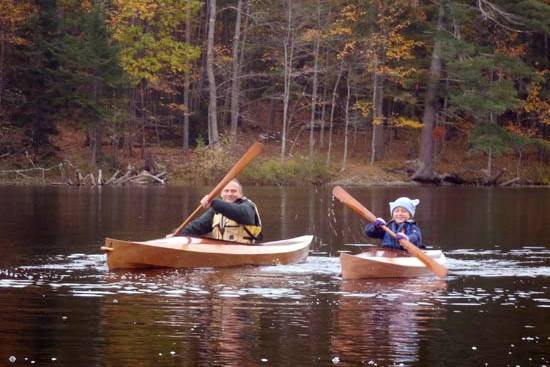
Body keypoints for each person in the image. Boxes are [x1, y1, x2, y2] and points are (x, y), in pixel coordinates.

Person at [175, 179, 263, 244]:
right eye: (226, 191)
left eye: (233, 191)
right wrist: (178, 234)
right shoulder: (216, 210)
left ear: (240, 194)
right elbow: (197, 226)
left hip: (245, 249)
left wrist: (213, 201)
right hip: (222, 249)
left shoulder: (248, 207)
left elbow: (240, 214)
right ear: (221, 194)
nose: (229, 194)